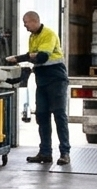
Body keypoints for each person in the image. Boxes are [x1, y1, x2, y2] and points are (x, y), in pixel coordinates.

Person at [5, 11, 69, 165]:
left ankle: (65, 153)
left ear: (34, 21)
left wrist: (20, 58)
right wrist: (24, 58)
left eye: (26, 22)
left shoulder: (48, 34)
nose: (24, 26)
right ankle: (45, 153)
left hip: (56, 79)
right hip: (42, 80)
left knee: (59, 116)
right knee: (41, 115)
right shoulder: (33, 36)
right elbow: (32, 56)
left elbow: (42, 57)